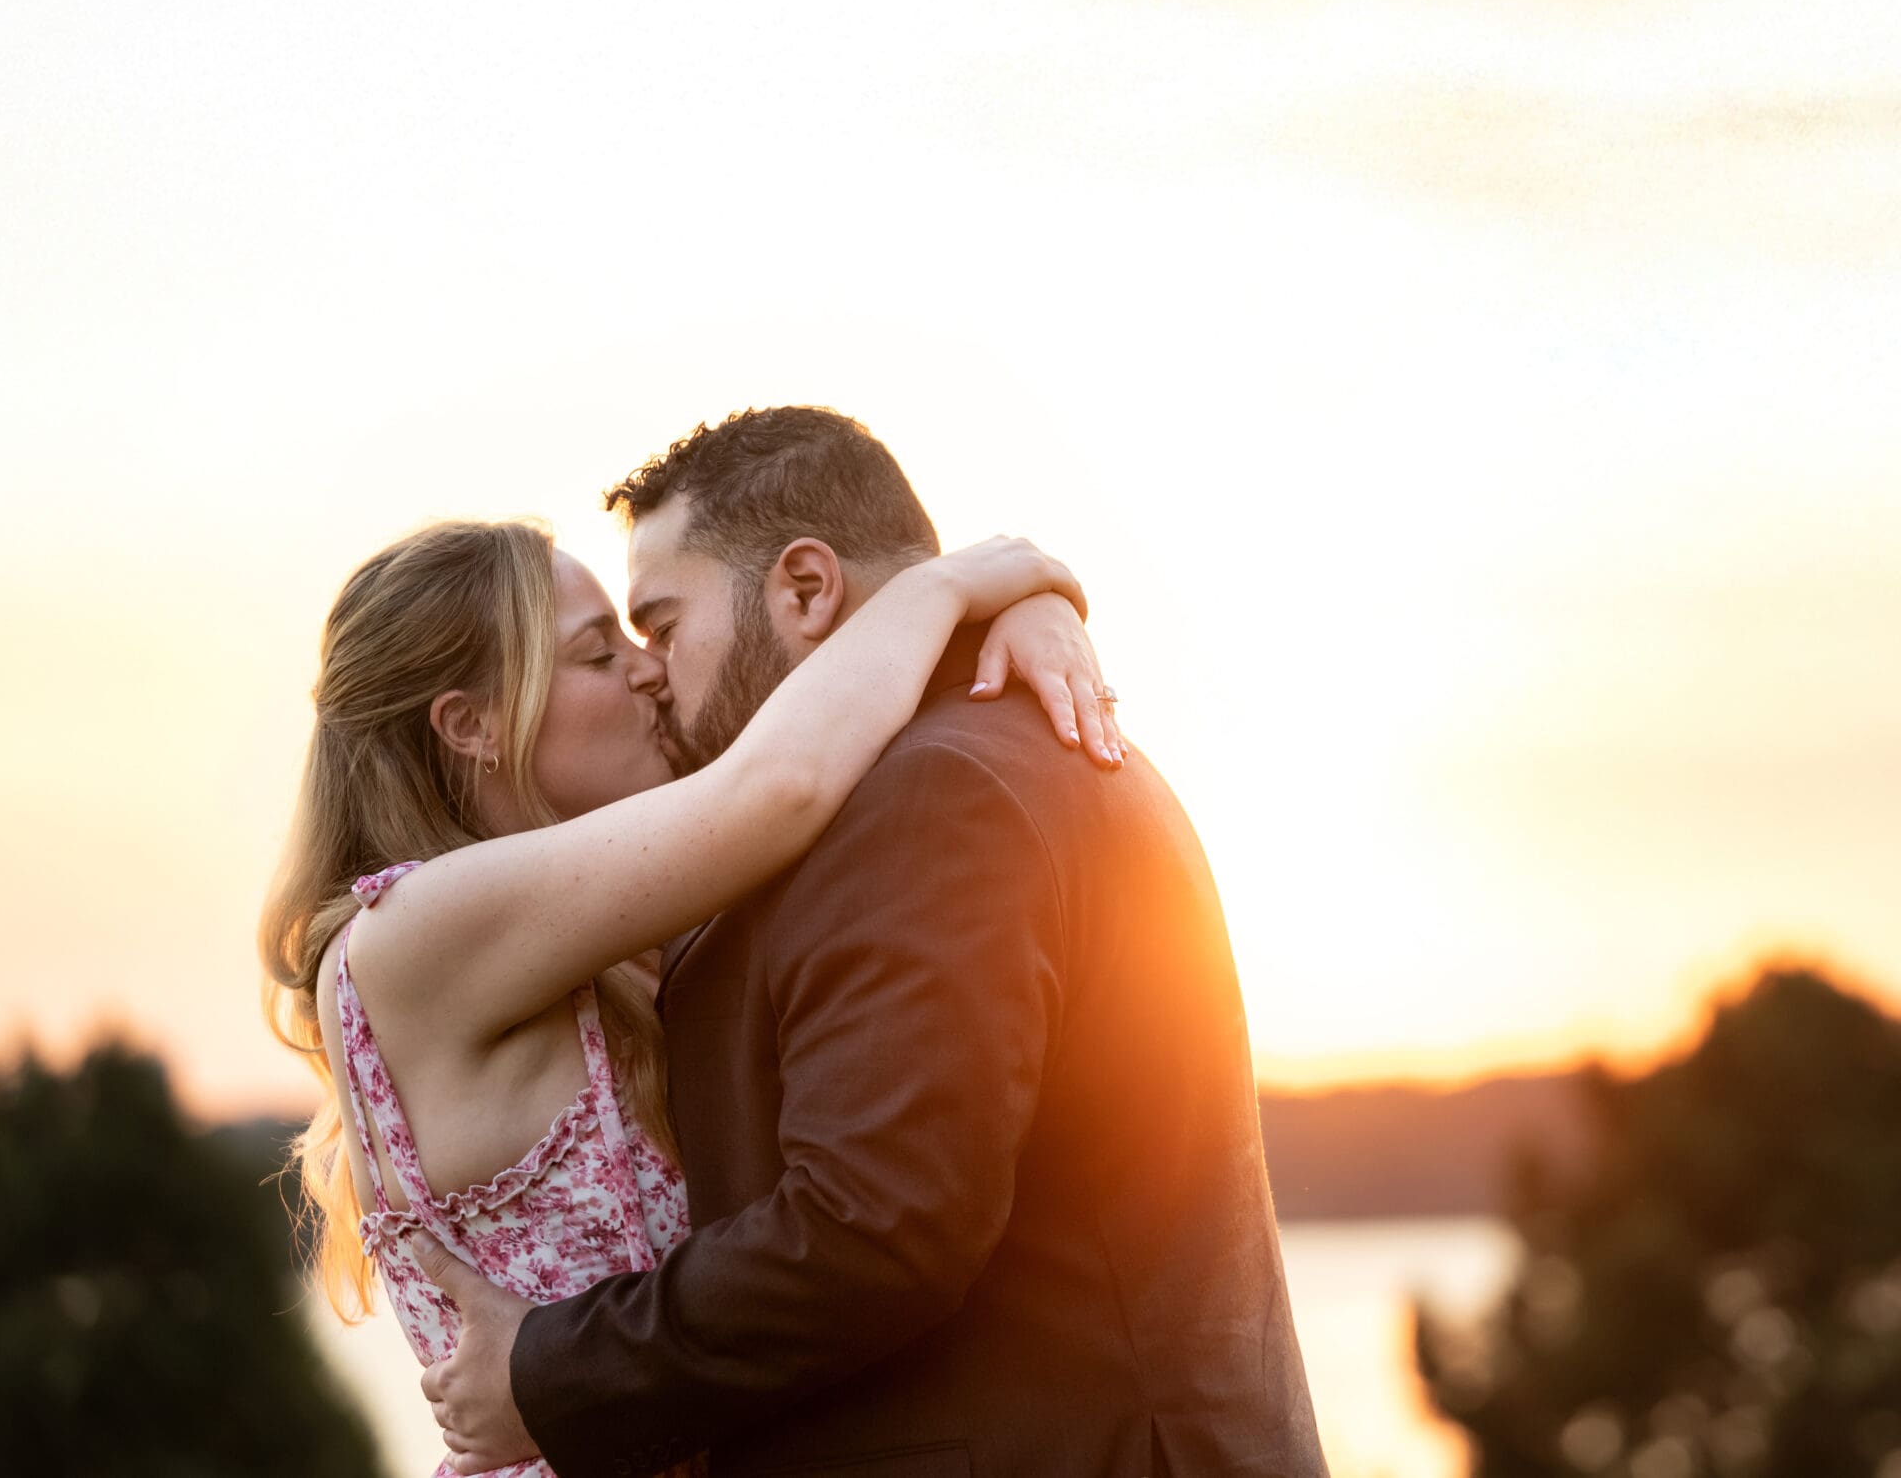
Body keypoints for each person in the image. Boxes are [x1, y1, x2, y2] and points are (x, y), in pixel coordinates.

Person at [417, 407, 1326, 1478]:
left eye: (662, 626)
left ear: (805, 589)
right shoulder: (977, 761)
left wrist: (550, 1373)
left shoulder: (931, 796)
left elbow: (873, 1225)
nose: (651, 672)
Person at [260, 497, 1119, 1478]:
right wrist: (960, 583)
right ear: (472, 725)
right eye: (595, 655)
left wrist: (1022, 619)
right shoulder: (409, 935)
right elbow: (779, 782)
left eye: (641, 635)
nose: (646, 666)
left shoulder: (598, 943)